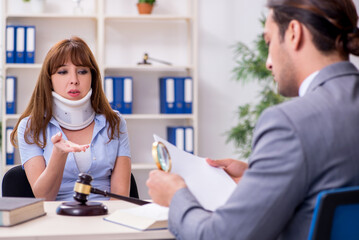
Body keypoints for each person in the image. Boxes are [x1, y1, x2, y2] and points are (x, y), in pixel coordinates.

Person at [146, 0, 359, 239]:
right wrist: (259, 175)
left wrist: (176, 197)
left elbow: (221, 236)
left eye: (268, 42)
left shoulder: (290, 123)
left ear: (294, 33)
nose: (268, 62)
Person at [10, 36, 131, 201]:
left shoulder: (114, 123)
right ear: (49, 79)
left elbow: (120, 197)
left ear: (92, 77)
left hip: (105, 216)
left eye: (82, 71)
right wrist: (58, 154)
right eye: (62, 72)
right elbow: (44, 198)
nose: (74, 80)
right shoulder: (31, 126)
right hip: (56, 219)